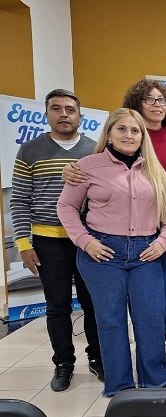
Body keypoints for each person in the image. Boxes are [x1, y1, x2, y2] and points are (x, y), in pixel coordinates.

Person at [62, 79, 166, 372]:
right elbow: (67, 205)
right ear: (110, 132)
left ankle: (155, 374)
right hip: (104, 248)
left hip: (149, 244)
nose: (129, 135)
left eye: (161, 100)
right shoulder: (89, 164)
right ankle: (118, 382)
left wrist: (163, 238)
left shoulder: (165, 152)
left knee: (153, 312)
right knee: (111, 318)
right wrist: (85, 240)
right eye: (122, 129)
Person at [9, 89, 103, 392]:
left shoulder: (94, 150)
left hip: (87, 240)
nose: (64, 114)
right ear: (47, 114)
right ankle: (64, 364)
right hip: (47, 242)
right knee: (57, 306)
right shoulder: (29, 151)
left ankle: (98, 358)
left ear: (80, 116)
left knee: (93, 304)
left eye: (70, 109)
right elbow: (19, 200)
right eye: (56, 108)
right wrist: (24, 244)